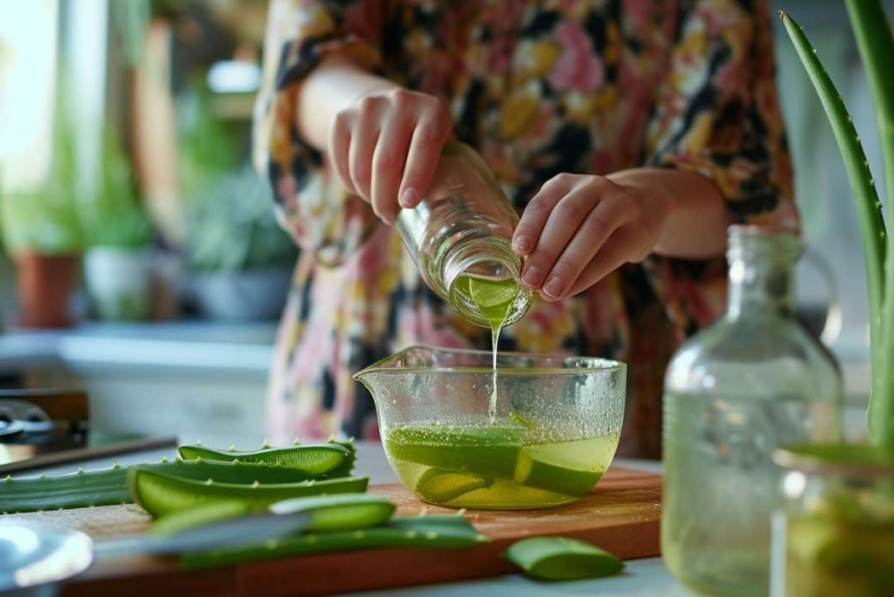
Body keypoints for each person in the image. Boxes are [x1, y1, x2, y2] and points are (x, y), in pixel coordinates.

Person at [255, 0, 797, 458]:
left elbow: (750, 195)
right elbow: (303, 70)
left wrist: (651, 200)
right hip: (367, 334)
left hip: (594, 395)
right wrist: (363, 109)